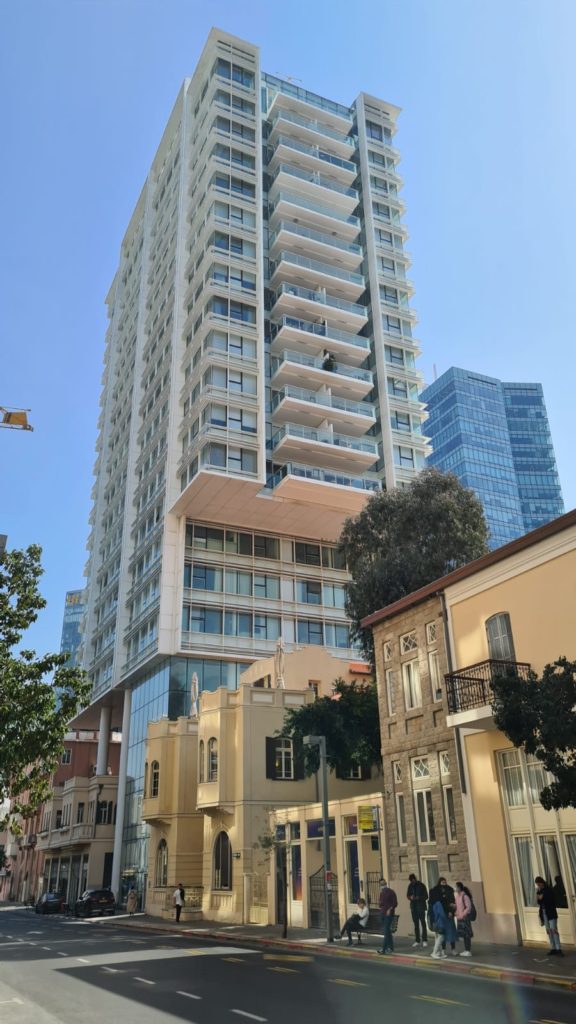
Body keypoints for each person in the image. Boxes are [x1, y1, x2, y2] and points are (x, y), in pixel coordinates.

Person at [535, 876, 563, 955]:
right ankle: (553, 947)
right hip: (544, 912)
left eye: (539, 884)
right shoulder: (539, 891)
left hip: (551, 912)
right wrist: (539, 898)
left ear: (542, 883)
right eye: (537, 885)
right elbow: (539, 902)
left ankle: (558, 948)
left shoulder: (549, 890)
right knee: (548, 930)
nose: (538, 886)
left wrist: (542, 898)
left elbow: (551, 901)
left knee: (553, 929)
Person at [407, 873, 428, 948]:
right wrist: (410, 897)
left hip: (421, 906)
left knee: (423, 923)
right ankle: (417, 940)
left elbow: (426, 896)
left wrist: (418, 898)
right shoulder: (410, 886)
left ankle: (425, 940)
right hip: (413, 907)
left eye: (413, 880)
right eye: (411, 881)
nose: (412, 881)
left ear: (415, 879)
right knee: (416, 924)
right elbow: (408, 895)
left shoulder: (421, 885)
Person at [377, 879, 398, 955]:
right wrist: (380, 904)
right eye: (381, 884)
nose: (382, 885)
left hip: (389, 915)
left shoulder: (391, 892)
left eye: (383, 883)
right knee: (387, 932)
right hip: (382, 913)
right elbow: (380, 903)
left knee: (386, 931)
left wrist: (390, 909)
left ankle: (384, 949)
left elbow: (395, 903)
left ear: (386, 884)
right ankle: (391, 947)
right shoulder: (381, 893)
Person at [438, 877, 457, 955]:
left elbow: (452, 902)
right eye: (442, 882)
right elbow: (440, 905)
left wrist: (451, 912)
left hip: (450, 915)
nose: (444, 884)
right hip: (443, 915)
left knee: (452, 932)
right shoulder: (438, 892)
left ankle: (453, 949)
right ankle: (443, 949)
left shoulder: (450, 890)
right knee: (443, 933)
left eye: (445, 882)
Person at [454, 881, 473, 957]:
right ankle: (466, 950)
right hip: (460, 918)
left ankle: (468, 951)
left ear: (459, 888)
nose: (455, 888)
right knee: (464, 935)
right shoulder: (457, 896)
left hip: (465, 918)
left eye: (456, 887)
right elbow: (457, 906)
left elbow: (468, 907)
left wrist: (462, 914)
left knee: (467, 934)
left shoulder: (464, 896)